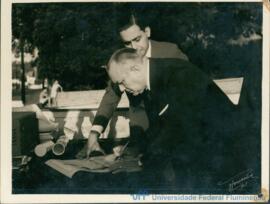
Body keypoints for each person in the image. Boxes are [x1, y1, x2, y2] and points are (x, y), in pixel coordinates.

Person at [106, 48, 245, 191]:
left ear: (135, 68)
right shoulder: (154, 79)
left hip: (228, 163)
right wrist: (133, 150)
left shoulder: (179, 74)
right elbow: (161, 126)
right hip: (204, 158)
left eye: (122, 82)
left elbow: (177, 127)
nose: (122, 89)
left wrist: (141, 162)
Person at [78, 13, 189, 158]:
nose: (134, 48)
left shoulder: (171, 52)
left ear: (147, 32)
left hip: (174, 129)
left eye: (137, 39)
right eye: (127, 43)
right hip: (140, 133)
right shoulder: (122, 60)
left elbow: (188, 95)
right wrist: (93, 134)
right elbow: (110, 97)